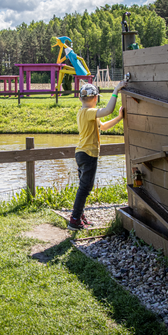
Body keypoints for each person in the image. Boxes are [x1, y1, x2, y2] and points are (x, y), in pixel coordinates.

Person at [68, 81, 127, 231]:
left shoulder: (85, 113)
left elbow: (104, 126)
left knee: (84, 187)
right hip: (88, 154)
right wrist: (116, 90)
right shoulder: (88, 112)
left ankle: (79, 215)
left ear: (80, 99)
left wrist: (120, 118)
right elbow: (108, 109)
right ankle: (74, 219)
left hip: (81, 153)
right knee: (85, 188)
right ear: (95, 99)